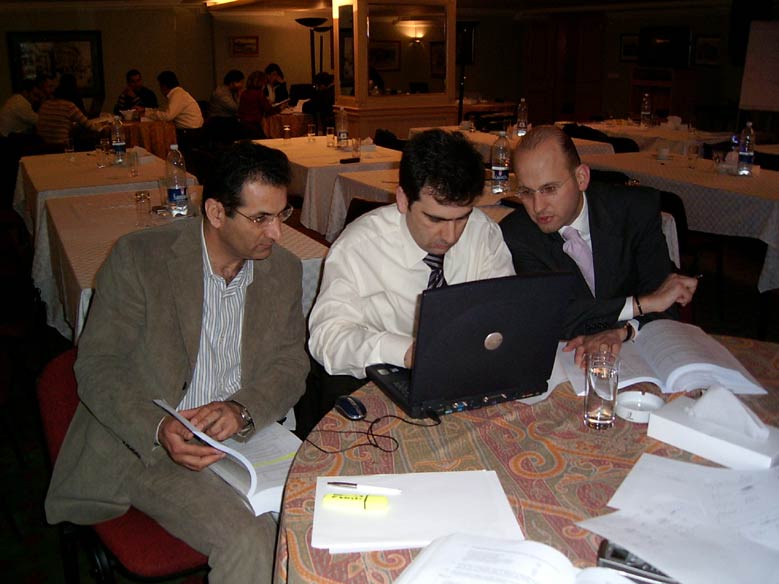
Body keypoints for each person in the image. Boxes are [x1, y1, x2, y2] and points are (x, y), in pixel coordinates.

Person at [45, 141, 309, 583]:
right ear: (216, 212)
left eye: (282, 214)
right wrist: (158, 427)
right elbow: (97, 366)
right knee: (251, 541)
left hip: (246, 440)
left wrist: (242, 409)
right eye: (261, 218)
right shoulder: (140, 258)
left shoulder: (282, 270)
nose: (276, 232)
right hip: (152, 445)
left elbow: (290, 364)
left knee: (314, 521)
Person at [307, 129, 514, 417]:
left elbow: (504, 313)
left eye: (462, 218)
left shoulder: (483, 232)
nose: (451, 235)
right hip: (379, 382)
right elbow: (326, 338)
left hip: (465, 375)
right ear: (403, 199)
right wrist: (404, 351)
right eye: (435, 219)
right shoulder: (359, 246)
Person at [500, 125, 698, 367]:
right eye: (526, 192)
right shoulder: (517, 234)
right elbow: (551, 316)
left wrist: (624, 331)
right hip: (570, 361)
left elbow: (666, 302)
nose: (538, 207)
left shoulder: (636, 209)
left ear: (581, 178)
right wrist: (642, 304)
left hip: (639, 352)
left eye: (549, 189)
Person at [35, 74, 94, 147]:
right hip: (62, 147)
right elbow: (90, 126)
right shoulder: (68, 106)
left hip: (44, 148)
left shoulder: (44, 105)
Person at [238, 70, 281, 140]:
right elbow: (268, 110)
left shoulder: (244, 93)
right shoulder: (259, 94)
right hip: (254, 126)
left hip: (242, 125)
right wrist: (279, 108)